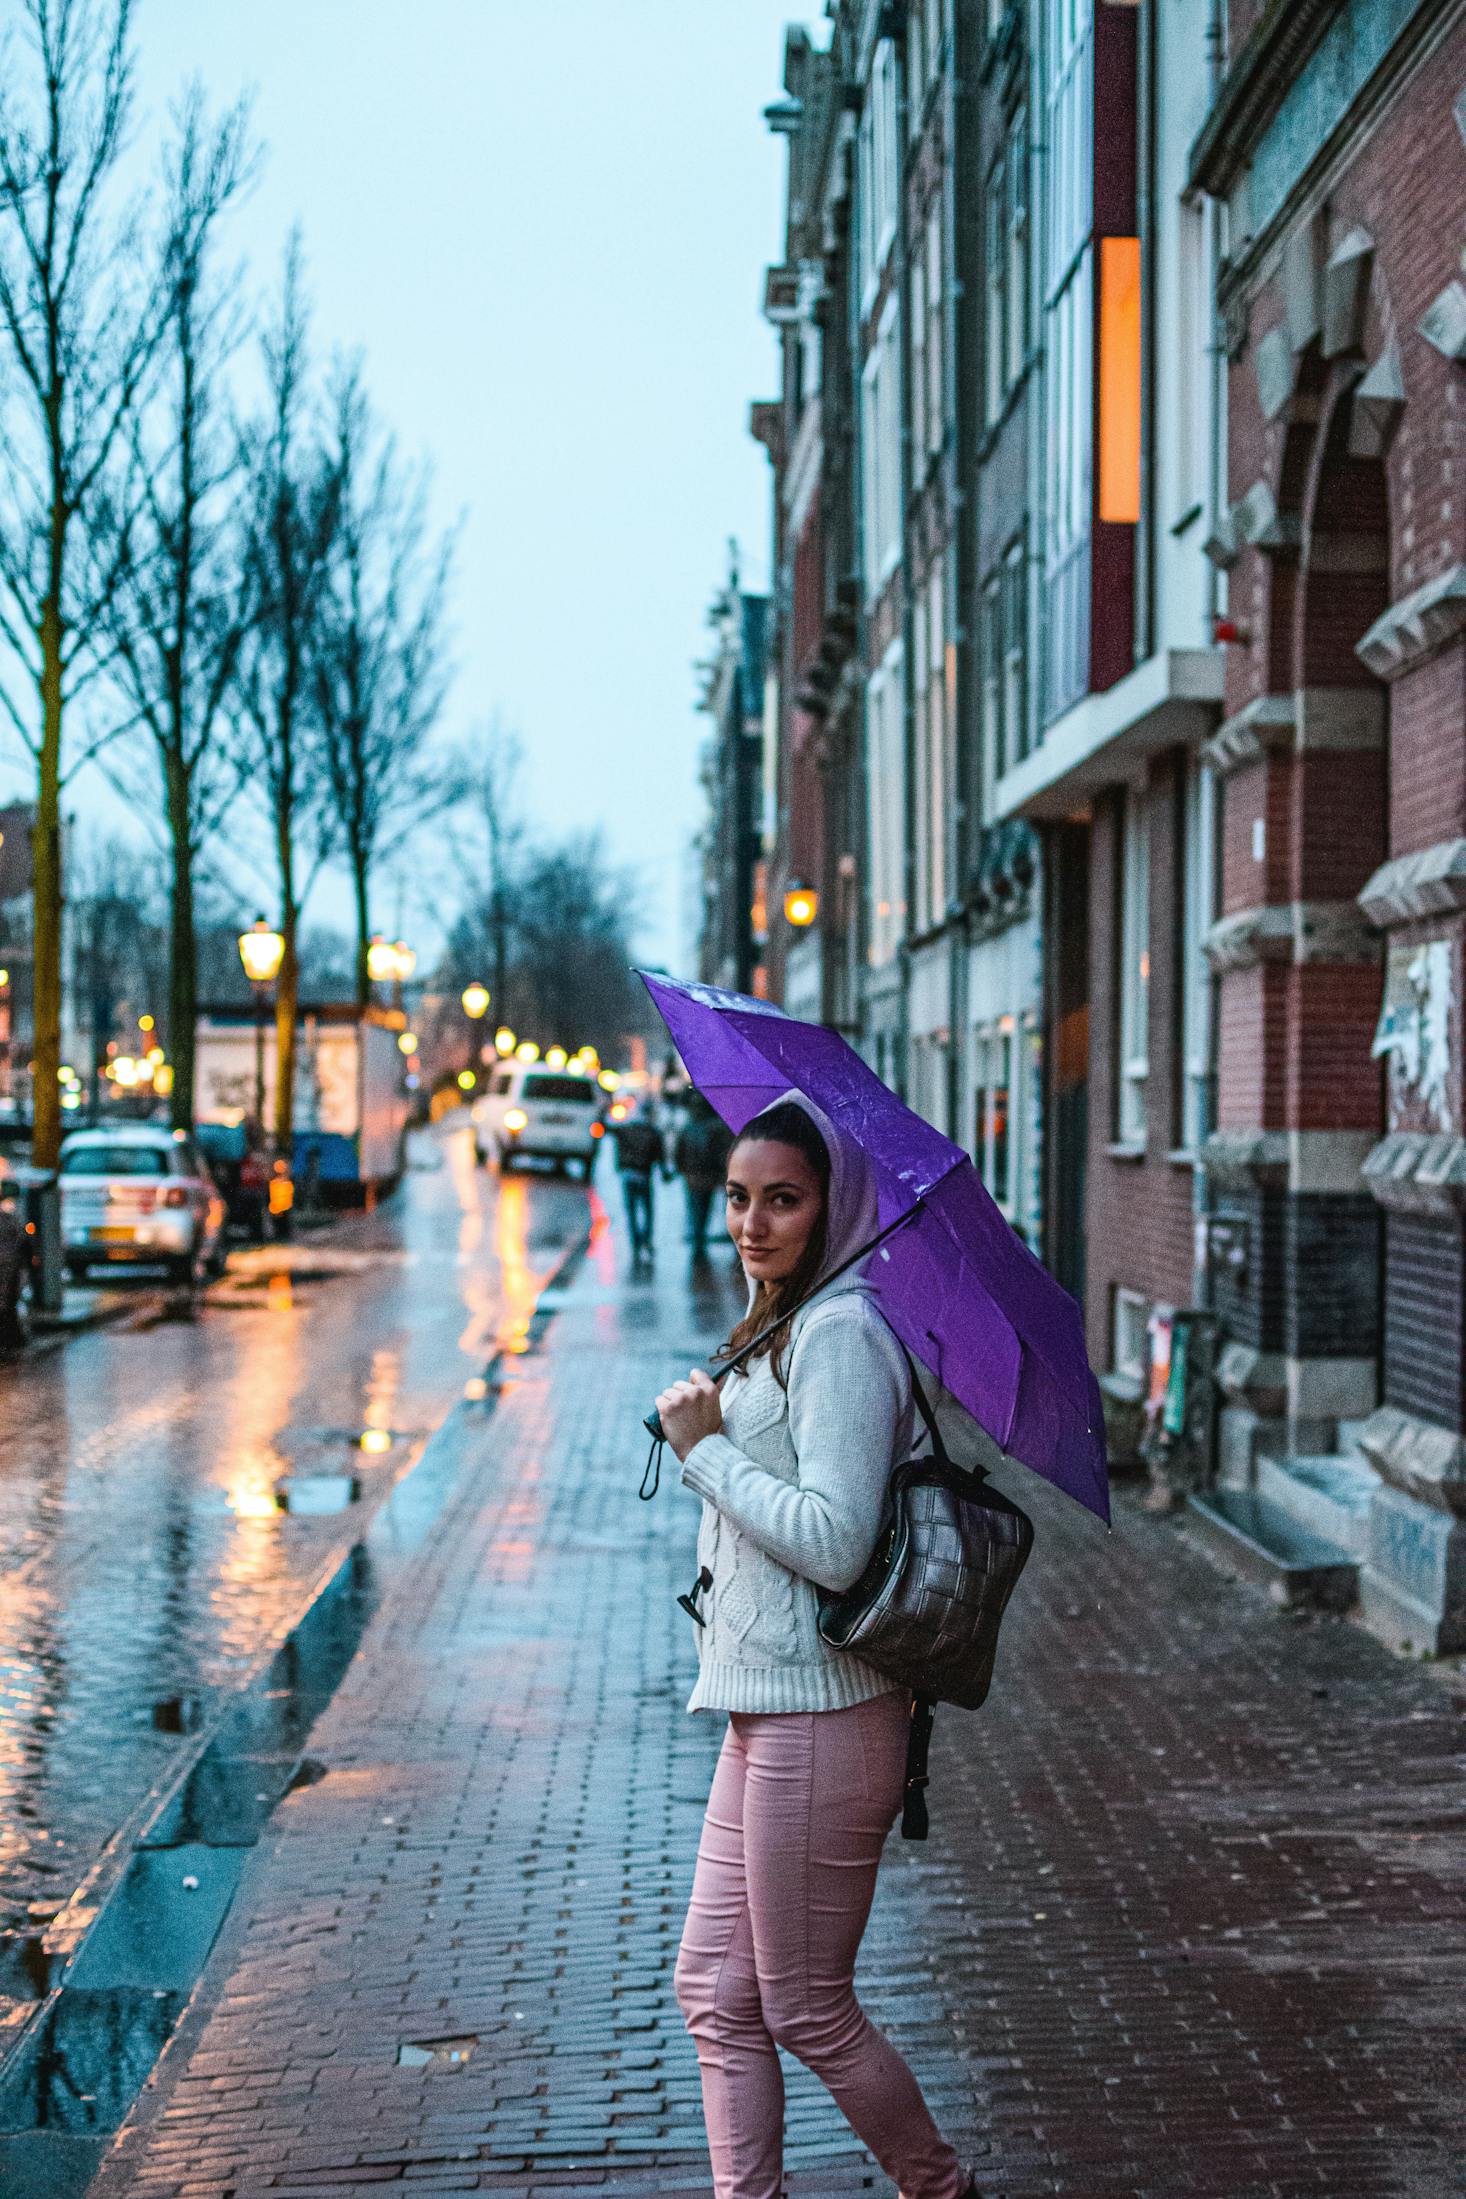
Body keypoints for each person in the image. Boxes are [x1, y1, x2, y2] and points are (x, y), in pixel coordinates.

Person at [654, 1095, 978, 2199]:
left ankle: (939, 2187)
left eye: (782, 1200)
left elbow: (835, 1546)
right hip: (766, 1707)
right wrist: (719, 1408)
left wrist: (704, 1453)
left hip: (826, 1711)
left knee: (802, 2005)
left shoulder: (841, 1333)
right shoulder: (781, 1324)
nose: (752, 1222)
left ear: (831, 1206)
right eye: (739, 1196)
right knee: (714, 1988)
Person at [672, 1090, 733, 1257]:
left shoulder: (689, 1127)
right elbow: (725, 1152)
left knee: (697, 1211)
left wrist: (681, 1170)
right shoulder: (718, 1127)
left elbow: (679, 1153)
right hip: (712, 1176)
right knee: (717, 1211)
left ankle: (698, 1248)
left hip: (694, 1178)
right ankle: (702, 1246)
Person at [607, 1100, 667, 1260]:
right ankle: (646, 1240)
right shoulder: (654, 1132)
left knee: (631, 1209)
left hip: (628, 1175)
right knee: (647, 1210)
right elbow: (661, 1158)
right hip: (644, 1175)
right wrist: (664, 1173)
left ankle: (635, 1242)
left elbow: (606, 1129)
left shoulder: (625, 1130)